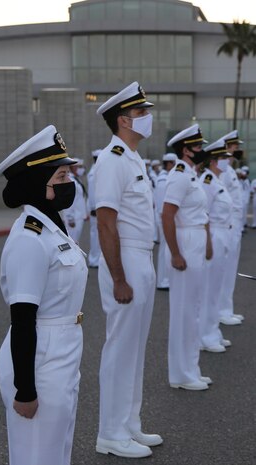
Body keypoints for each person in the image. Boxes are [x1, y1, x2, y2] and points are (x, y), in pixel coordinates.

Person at [0, 125, 88, 465]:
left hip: (61, 351)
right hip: (39, 359)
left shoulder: (52, 226)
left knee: (55, 454)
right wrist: (25, 390)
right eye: (60, 176)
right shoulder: (29, 240)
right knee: (36, 456)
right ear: (37, 184)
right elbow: (22, 318)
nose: (68, 183)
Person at [94, 81, 162, 459]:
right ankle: (110, 433)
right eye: (141, 113)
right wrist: (119, 277)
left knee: (135, 349)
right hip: (126, 261)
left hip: (142, 258)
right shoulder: (113, 159)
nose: (148, 118)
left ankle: (129, 423)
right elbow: (106, 222)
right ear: (123, 120)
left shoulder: (133, 159)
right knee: (120, 348)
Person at [162, 124, 213, 391]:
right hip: (185, 240)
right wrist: (175, 253)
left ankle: (191, 368)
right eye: (197, 147)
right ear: (185, 150)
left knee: (193, 309)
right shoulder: (179, 175)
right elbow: (167, 215)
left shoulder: (191, 174)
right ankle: (180, 373)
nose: (201, 150)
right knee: (183, 310)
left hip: (195, 238)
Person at [199, 138, 233, 353]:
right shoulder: (207, 181)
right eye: (222, 158)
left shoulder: (218, 180)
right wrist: (208, 243)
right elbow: (205, 215)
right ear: (213, 160)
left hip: (224, 235)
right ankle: (205, 336)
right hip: (213, 236)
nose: (226, 162)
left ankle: (213, 331)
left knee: (216, 288)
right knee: (209, 289)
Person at [219, 130, 245, 325]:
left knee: (230, 270)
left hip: (234, 226)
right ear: (227, 147)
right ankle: (221, 311)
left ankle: (226, 308)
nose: (237, 149)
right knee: (224, 271)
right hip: (228, 226)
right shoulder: (223, 171)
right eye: (234, 146)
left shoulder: (229, 169)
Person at [155, 153, 177, 290]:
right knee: (164, 249)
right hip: (163, 218)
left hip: (165, 218)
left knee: (166, 248)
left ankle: (165, 279)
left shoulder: (167, 177)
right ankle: (163, 280)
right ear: (168, 164)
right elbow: (162, 206)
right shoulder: (163, 180)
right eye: (174, 164)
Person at [63, 158, 89, 243]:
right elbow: (69, 200)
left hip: (78, 216)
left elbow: (80, 199)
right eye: (79, 167)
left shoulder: (76, 180)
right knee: (72, 242)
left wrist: (84, 214)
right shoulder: (70, 181)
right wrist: (70, 218)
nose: (82, 169)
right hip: (73, 218)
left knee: (75, 242)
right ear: (73, 168)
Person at [87, 149, 102, 267]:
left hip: (98, 208)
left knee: (98, 235)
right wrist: (93, 208)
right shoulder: (93, 174)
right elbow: (92, 193)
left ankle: (97, 258)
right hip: (95, 209)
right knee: (95, 236)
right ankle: (94, 259)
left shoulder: (97, 171)